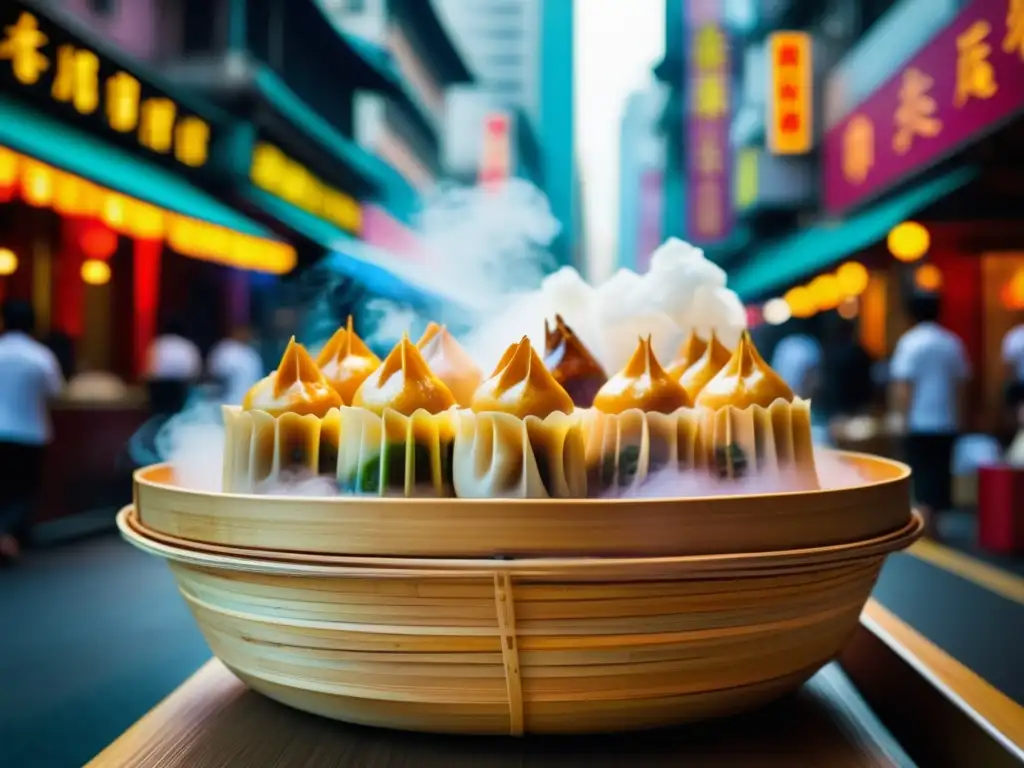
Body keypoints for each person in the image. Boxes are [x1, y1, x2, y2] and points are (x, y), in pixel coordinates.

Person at [888, 292, 971, 536]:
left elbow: (904, 386)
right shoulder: (952, 342)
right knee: (941, 470)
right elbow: (961, 384)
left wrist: (900, 418)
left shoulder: (910, 342)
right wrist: (961, 416)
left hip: (918, 419)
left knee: (922, 471)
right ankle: (936, 522)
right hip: (946, 418)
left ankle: (926, 522)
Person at [0, 300, 65, 561]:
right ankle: (7, 534)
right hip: (29, 432)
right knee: (23, 489)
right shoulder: (41, 356)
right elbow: (56, 392)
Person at [145, 315, 201, 416]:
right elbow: (195, 371)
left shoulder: (157, 344)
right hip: (180, 388)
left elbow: (148, 370)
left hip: (159, 388)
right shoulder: (187, 345)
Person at [207, 325, 264, 405]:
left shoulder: (252, 353)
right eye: (240, 330)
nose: (244, 333)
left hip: (248, 404)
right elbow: (214, 377)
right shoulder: (225, 349)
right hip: (224, 403)